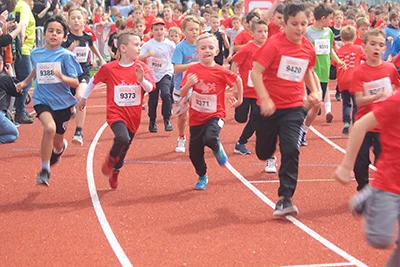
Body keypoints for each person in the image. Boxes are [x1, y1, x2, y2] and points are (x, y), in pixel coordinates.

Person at [251, 2, 320, 217]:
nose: (299, 29)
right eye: (294, 24)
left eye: (303, 24)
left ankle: (285, 198)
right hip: (269, 108)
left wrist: (315, 91)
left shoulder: (307, 47)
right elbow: (256, 73)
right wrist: (265, 99)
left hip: (294, 107)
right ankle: (267, 149)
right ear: (284, 23)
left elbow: (308, 70)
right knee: (263, 152)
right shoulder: (273, 44)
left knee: (291, 149)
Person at [334, 81, 400, 267]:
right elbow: (361, 125)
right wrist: (346, 166)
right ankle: (369, 198)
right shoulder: (395, 102)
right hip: (389, 184)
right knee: (379, 239)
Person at [78, 30, 156, 189]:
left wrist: (141, 80)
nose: (140, 47)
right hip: (116, 113)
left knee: (125, 147)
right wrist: (84, 97)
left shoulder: (141, 68)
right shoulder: (109, 68)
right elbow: (94, 80)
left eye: (140, 44)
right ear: (123, 48)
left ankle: (116, 171)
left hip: (133, 115)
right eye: (136, 44)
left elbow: (150, 88)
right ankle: (110, 159)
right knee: (122, 138)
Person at [17, 16, 83, 185]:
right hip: (42, 99)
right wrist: (25, 82)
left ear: (65, 37)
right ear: (44, 34)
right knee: (49, 128)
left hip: (63, 103)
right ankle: (44, 169)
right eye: (51, 31)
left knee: (58, 142)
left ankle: (59, 149)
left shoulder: (66, 56)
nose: (54, 34)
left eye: (59, 32)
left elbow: (75, 82)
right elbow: (36, 70)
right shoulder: (35, 53)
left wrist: (61, 77)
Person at [179, 33, 243, 190]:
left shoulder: (221, 71)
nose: (207, 50)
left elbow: (238, 80)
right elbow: (181, 92)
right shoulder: (192, 70)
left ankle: (217, 147)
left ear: (216, 51)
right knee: (194, 153)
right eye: (203, 48)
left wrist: (240, 99)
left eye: (210, 48)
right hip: (196, 117)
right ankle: (202, 175)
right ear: (197, 52)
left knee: (211, 137)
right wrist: (188, 85)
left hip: (216, 114)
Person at [349, 29, 400, 192]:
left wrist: (392, 95)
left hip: (384, 124)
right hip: (364, 123)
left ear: (385, 48)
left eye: (380, 45)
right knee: (361, 160)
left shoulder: (390, 69)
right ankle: (363, 189)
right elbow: (358, 100)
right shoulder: (359, 71)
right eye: (372, 44)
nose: (376, 48)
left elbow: (397, 86)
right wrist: (376, 96)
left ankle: (382, 190)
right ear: (364, 46)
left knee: (383, 160)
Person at [62, 7, 106, 145]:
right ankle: (70, 111)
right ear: (68, 21)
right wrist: (69, 50)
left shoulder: (87, 36)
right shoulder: (65, 37)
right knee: (66, 105)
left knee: (81, 97)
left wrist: (100, 59)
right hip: (67, 75)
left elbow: (92, 46)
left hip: (83, 73)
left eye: (79, 18)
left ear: (84, 21)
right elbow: (59, 55)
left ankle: (78, 132)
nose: (76, 20)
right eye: (73, 18)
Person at [231, 20, 268, 160]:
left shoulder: (270, 48)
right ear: (252, 33)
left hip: (260, 91)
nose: (263, 34)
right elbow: (235, 63)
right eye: (260, 31)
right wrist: (235, 82)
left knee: (257, 117)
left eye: (265, 31)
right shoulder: (247, 48)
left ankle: (241, 142)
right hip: (246, 90)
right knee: (240, 118)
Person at [139, 18, 175, 133]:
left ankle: (167, 119)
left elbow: (176, 56)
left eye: (161, 29)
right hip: (152, 74)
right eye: (156, 30)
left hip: (166, 72)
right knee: (153, 99)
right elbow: (138, 57)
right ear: (152, 31)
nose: (159, 32)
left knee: (166, 94)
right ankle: (152, 121)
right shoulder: (148, 45)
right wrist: (147, 54)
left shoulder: (170, 44)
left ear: (165, 30)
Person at [171, 16, 200, 153]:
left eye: (196, 29)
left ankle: (200, 138)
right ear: (183, 31)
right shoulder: (180, 47)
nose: (194, 32)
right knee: (182, 116)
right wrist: (192, 66)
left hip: (199, 86)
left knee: (201, 114)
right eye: (191, 29)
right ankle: (181, 137)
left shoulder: (202, 45)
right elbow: (176, 68)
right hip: (181, 86)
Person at [334, 26, 367, 135]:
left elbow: (334, 63)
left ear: (342, 39)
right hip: (355, 81)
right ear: (354, 37)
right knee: (357, 104)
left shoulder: (339, 51)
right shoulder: (358, 49)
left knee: (346, 103)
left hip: (343, 81)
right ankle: (356, 124)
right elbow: (366, 58)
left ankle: (346, 122)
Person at [14, 0, 36, 124]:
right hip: (23, 49)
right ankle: (20, 112)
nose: (32, 2)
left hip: (21, 48)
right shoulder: (24, 7)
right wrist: (22, 38)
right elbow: (23, 24)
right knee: (25, 81)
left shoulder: (16, 6)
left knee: (18, 80)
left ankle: (19, 110)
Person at [0, 57, 21, 144]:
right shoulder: (4, 79)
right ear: (1, 64)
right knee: (13, 134)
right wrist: (12, 76)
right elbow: (19, 91)